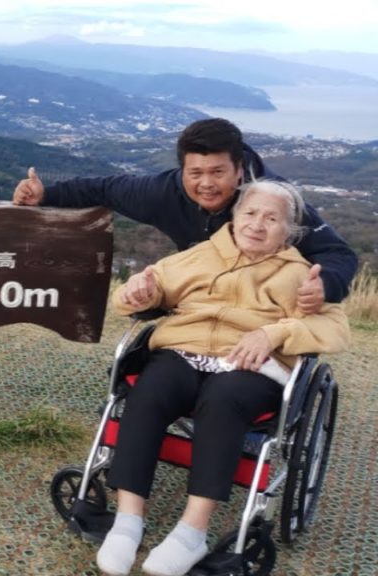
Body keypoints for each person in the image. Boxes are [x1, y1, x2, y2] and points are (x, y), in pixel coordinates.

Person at [96, 179, 350, 576]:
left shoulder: (300, 274)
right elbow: (147, 289)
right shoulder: (200, 256)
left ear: (290, 230)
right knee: (151, 389)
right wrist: (138, 293)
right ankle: (128, 521)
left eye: (272, 218)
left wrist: (274, 333)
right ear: (234, 216)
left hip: (251, 365)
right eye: (250, 213)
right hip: (183, 350)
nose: (257, 224)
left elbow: (336, 329)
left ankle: (192, 531)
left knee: (224, 401)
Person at [12, 118, 358, 315]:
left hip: (259, 311)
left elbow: (338, 254)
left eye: (218, 172)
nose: (206, 184)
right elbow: (103, 189)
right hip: (197, 300)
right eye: (195, 173)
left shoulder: (273, 201)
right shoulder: (165, 192)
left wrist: (325, 284)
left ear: (239, 169)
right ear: (182, 169)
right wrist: (47, 195)